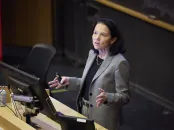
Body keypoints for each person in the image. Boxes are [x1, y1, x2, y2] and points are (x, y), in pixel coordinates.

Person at [48, 18, 130, 130]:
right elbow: (90, 84)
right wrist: (69, 81)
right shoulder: (92, 54)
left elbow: (125, 97)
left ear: (113, 39)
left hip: (103, 118)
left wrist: (108, 97)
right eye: (95, 33)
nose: (97, 38)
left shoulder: (119, 63)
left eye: (103, 35)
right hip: (83, 110)